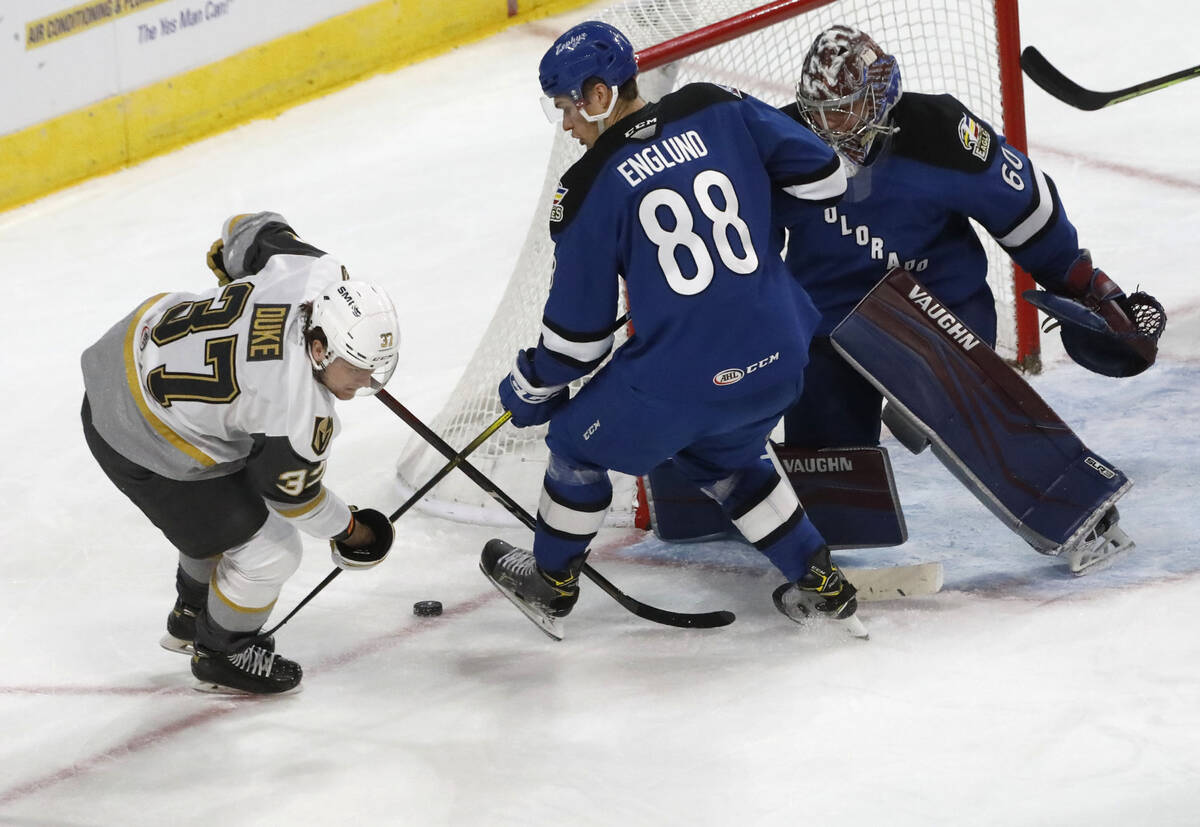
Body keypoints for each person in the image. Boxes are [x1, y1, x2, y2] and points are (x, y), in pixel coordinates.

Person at [478, 20, 861, 638]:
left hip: (690, 375)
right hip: (784, 353)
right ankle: (819, 579)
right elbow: (826, 176)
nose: (568, 126)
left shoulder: (587, 187)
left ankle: (549, 582)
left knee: (576, 445)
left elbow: (579, 343)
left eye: (567, 108)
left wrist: (529, 387)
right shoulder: (715, 104)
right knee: (724, 454)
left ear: (600, 96)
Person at [778, 24, 1157, 449]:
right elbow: (748, 239)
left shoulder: (939, 133)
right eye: (818, 110)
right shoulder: (781, 142)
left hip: (940, 308)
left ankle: (952, 396)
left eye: (844, 109)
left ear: (879, 95)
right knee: (826, 458)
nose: (829, 126)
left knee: (949, 408)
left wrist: (1076, 279)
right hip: (830, 320)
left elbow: (1023, 205)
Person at [80, 211, 399, 694]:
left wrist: (229, 255)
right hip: (136, 433)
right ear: (318, 348)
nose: (367, 382)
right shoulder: (297, 409)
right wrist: (351, 532)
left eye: (377, 370)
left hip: (126, 350)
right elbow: (295, 500)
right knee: (270, 551)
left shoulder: (314, 273)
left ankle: (192, 613)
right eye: (357, 369)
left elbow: (249, 227)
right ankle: (222, 651)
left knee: (226, 480)